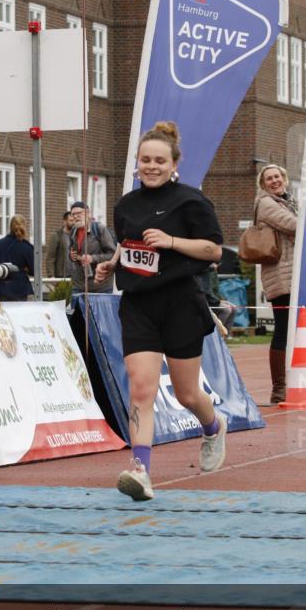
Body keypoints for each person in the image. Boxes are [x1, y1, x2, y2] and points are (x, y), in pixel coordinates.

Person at [95, 121, 226, 501]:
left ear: (173, 164)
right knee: (141, 390)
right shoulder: (125, 205)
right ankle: (140, 470)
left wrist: (171, 240)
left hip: (181, 303)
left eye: (159, 160)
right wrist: (111, 263)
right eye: (145, 160)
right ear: (137, 164)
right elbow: (129, 246)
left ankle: (213, 426)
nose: (151, 166)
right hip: (138, 304)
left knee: (187, 394)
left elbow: (214, 251)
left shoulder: (191, 201)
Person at [253, 163, 297, 404]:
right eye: (269, 178)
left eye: (277, 176)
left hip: (291, 274)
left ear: (285, 179)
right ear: (263, 184)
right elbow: (294, 225)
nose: (274, 180)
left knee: (296, 331)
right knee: (283, 329)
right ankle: (279, 389)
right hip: (281, 276)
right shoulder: (267, 204)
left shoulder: (287, 202)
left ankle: (294, 382)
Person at [68, 201, 116, 295]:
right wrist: (71, 256)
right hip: (78, 286)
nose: (75, 216)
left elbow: (113, 255)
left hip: (100, 286)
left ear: (88, 213)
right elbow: (71, 251)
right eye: (73, 214)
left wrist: (92, 258)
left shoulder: (99, 229)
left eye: (79, 213)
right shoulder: (73, 231)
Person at [0, 215, 35, 301]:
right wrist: (25, 269)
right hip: (20, 291)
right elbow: (34, 271)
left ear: (10, 227)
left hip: (1, 290)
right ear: (24, 227)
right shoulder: (26, 247)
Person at [195, 262, 235, 335]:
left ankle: (227, 335)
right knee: (227, 310)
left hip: (213, 299)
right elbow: (206, 292)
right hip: (207, 302)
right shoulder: (202, 274)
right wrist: (217, 301)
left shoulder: (212, 274)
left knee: (233, 307)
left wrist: (221, 300)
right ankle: (217, 334)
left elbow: (215, 290)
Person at [46, 211, 73, 278]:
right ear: (64, 221)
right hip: (61, 276)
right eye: (71, 220)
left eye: (74, 220)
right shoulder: (56, 236)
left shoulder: (77, 236)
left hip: (75, 277)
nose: (73, 223)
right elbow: (50, 257)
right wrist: (51, 276)